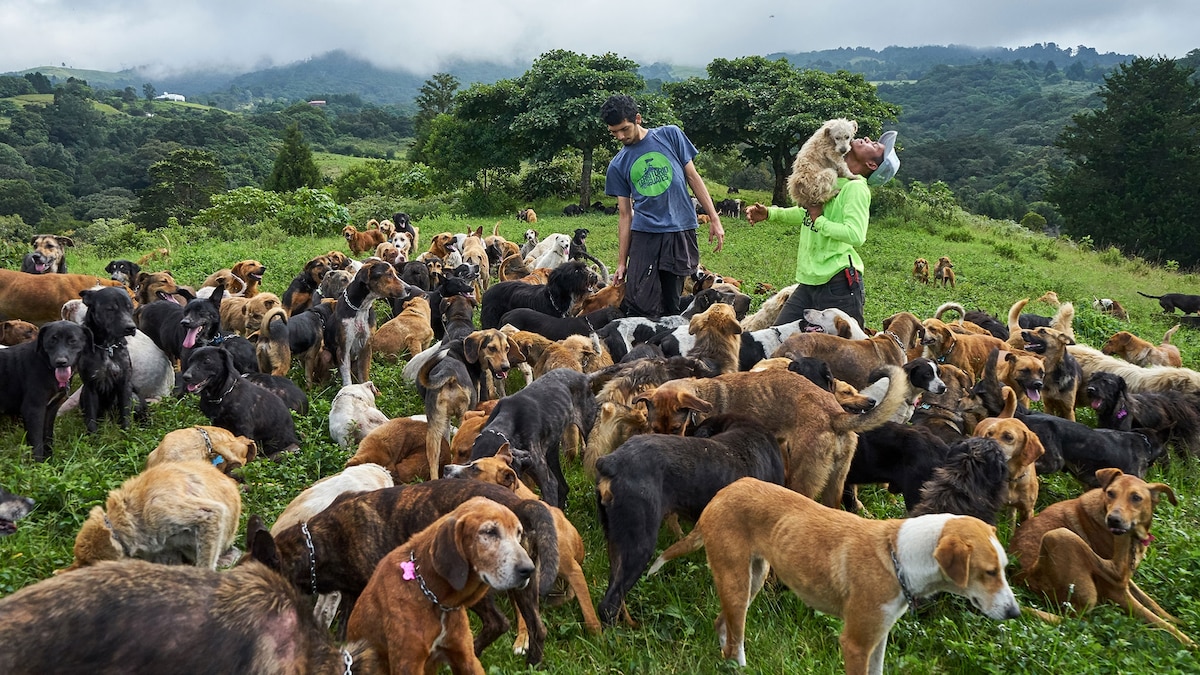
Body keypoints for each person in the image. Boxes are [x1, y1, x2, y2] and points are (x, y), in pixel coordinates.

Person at [746, 129, 899, 329]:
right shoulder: (833, 179)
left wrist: (818, 220)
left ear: (871, 165)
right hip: (810, 282)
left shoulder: (856, 188)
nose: (868, 139)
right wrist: (770, 214)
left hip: (839, 284)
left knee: (842, 347)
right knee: (779, 336)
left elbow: (855, 234)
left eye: (875, 145)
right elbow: (806, 212)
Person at [602, 94, 724, 318]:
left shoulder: (670, 135)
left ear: (637, 119)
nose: (620, 136)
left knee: (671, 300)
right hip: (645, 234)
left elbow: (693, 177)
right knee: (639, 299)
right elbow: (625, 215)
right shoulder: (618, 165)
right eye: (614, 132)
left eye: (624, 129)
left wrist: (714, 219)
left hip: (679, 229)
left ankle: (669, 337)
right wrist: (621, 263)